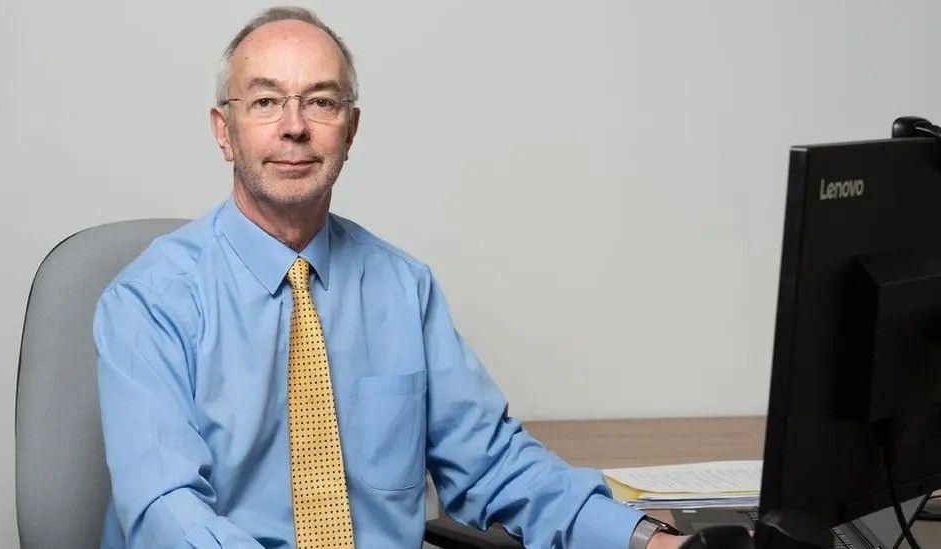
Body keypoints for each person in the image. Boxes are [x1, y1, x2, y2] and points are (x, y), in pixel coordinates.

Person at [94, 6, 690, 548]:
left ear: (350, 131)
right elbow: (164, 510)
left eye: (322, 102)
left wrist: (642, 540)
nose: (295, 126)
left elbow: (491, 463)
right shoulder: (149, 302)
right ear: (224, 130)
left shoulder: (404, 289)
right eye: (266, 102)